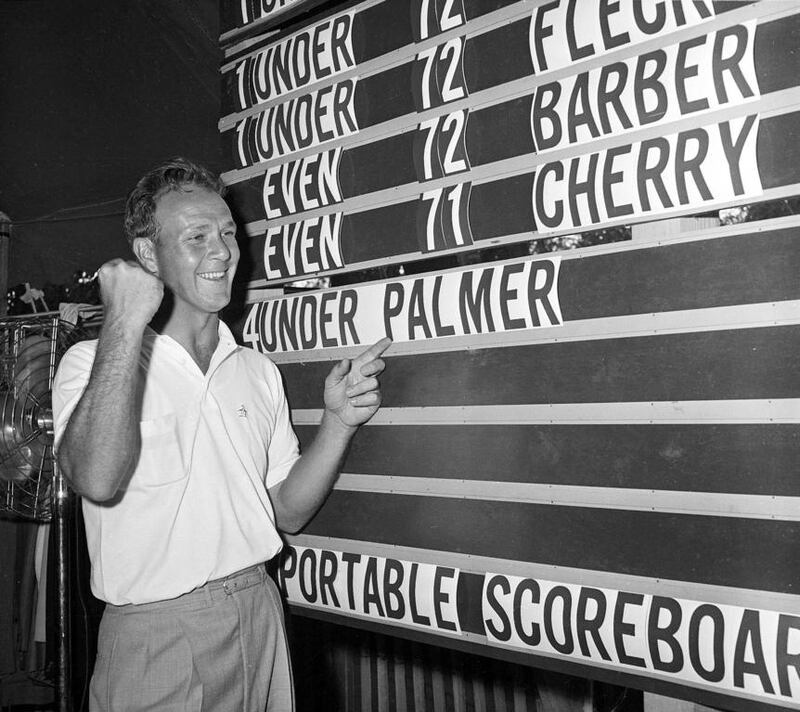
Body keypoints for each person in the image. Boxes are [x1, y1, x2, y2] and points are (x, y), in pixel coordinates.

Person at [52, 157, 391, 712]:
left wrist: (338, 423)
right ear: (147, 254)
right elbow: (94, 477)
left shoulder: (255, 370)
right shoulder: (94, 364)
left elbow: (286, 512)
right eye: (197, 236)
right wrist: (121, 324)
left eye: (228, 232)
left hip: (260, 611)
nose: (223, 251)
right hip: (158, 633)